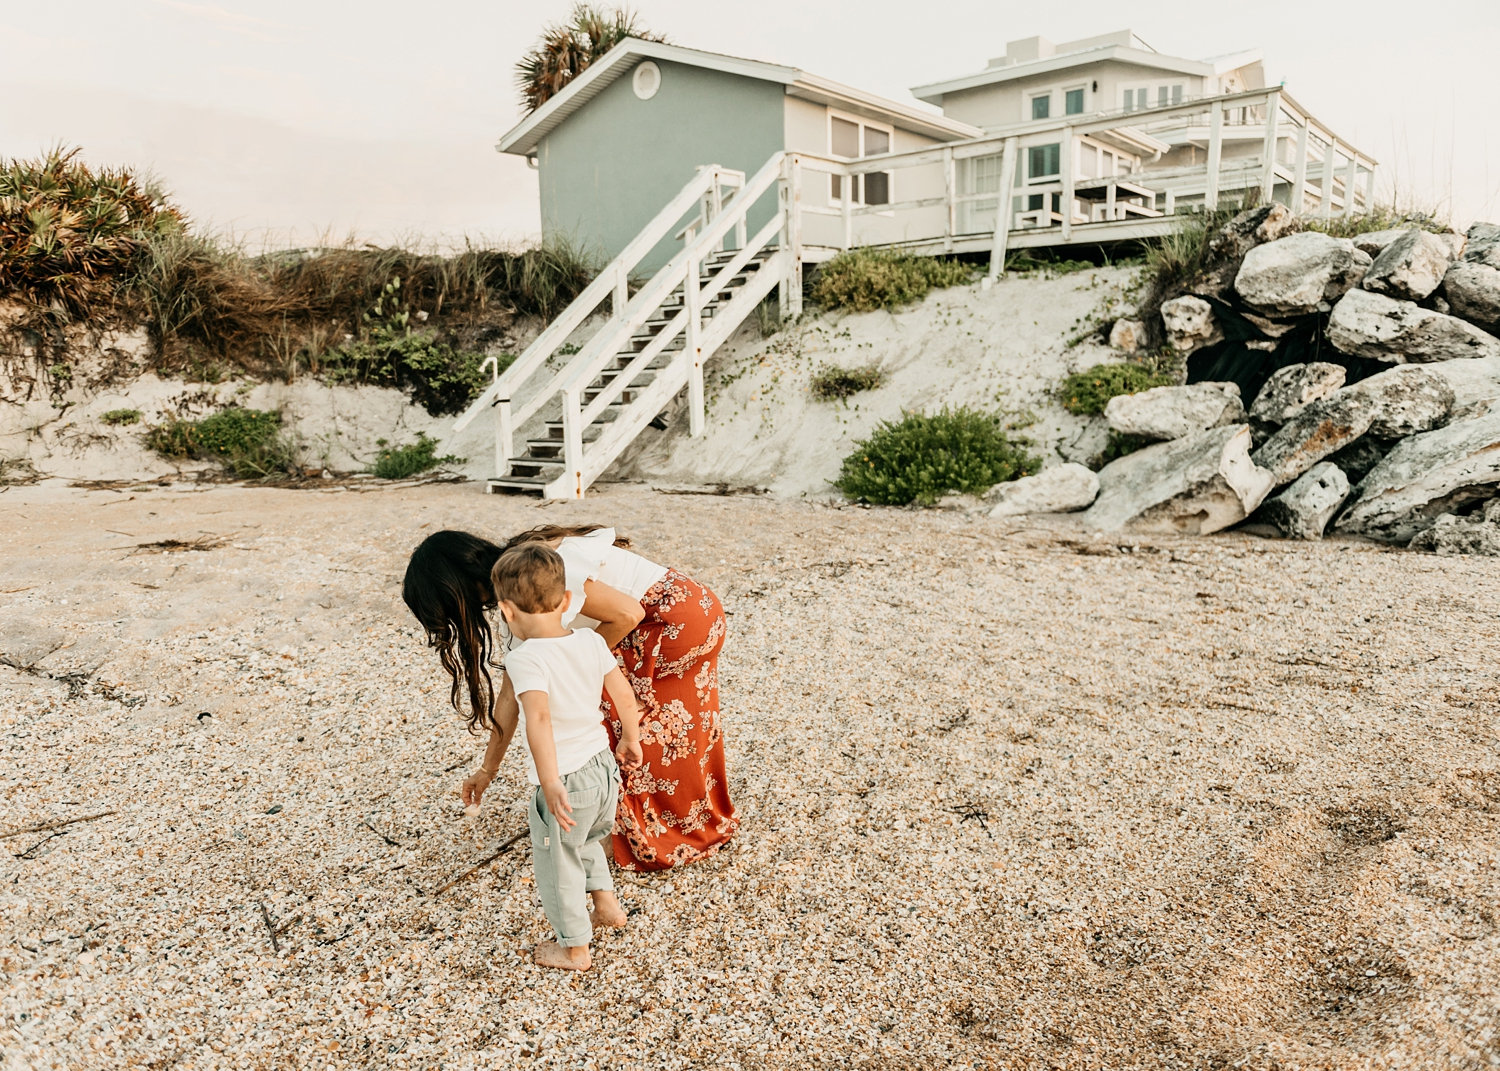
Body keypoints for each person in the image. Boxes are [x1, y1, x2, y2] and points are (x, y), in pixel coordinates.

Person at [402, 525, 738, 872]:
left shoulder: (536, 573)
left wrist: (574, 660)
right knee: (664, 723)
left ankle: (634, 829)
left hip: (673, 620)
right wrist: (487, 770)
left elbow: (628, 614)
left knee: (594, 698)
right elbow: (510, 693)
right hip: (697, 608)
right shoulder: (519, 581)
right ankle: (682, 820)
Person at [487, 542, 642, 971]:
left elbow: (536, 719)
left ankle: (574, 948)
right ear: (568, 600)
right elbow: (623, 693)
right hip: (602, 767)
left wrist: (550, 780)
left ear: (506, 611)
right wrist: (631, 737)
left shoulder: (525, 658)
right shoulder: (590, 641)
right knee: (588, 840)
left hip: (567, 776)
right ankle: (607, 906)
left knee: (559, 864)